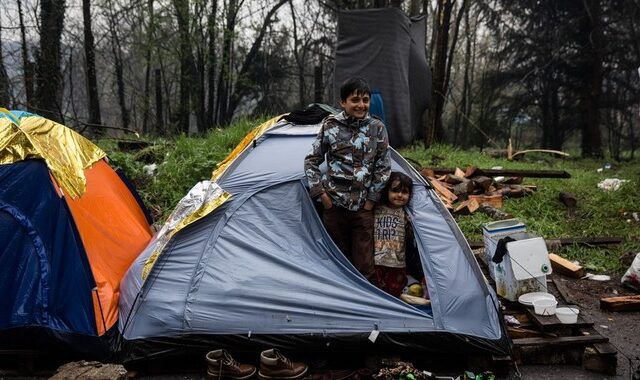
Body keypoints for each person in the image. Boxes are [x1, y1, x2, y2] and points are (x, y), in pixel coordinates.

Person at [304, 77, 391, 283]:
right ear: (343, 102)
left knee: (365, 265)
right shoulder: (330, 126)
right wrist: (322, 196)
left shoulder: (377, 128)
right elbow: (311, 161)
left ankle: (365, 308)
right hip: (334, 206)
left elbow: (383, 166)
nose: (361, 105)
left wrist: (371, 200)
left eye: (365, 100)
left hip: (363, 208)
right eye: (355, 100)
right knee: (336, 262)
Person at [373, 171, 424, 297]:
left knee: (394, 293)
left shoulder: (407, 214)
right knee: (377, 292)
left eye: (405, 192)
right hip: (376, 262)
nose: (400, 195)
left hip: (397, 263)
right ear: (387, 191)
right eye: (395, 191)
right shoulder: (377, 209)